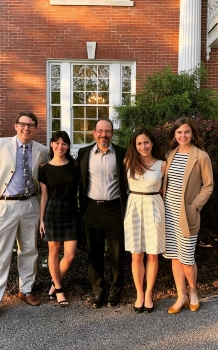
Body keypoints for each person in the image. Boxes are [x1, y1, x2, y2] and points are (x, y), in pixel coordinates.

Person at [0, 111, 49, 319]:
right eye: (23, 124)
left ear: (36, 128)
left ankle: (26, 290)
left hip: (30, 205)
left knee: (29, 250)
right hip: (3, 206)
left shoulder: (42, 150)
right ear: (16, 126)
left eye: (31, 125)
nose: (27, 128)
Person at [162, 116, 213, 314]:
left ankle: (193, 293)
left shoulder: (201, 156)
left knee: (187, 258)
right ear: (174, 135)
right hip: (169, 215)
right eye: (179, 132)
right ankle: (180, 295)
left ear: (192, 134)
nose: (183, 135)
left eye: (186, 132)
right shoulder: (169, 155)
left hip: (187, 214)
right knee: (175, 257)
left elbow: (208, 186)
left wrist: (195, 206)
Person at [77, 118, 127, 308]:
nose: (104, 134)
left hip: (115, 208)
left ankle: (116, 289)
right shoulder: (84, 153)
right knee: (94, 252)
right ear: (94, 133)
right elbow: (71, 173)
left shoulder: (122, 153)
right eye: (100, 131)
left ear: (112, 133)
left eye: (107, 131)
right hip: (92, 209)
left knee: (117, 252)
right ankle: (98, 289)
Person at [124, 129, 166, 313]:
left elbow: (165, 191)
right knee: (136, 255)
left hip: (154, 206)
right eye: (139, 143)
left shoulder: (162, 165)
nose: (143, 146)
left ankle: (149, 293)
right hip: (134, 207)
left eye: (146, 142)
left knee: (152, 254)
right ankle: (139, 293)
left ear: (152, 143)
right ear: (135, 146)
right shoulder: (128, 162)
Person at [38, 131, 78, 307]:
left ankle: (54, 283)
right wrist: (41, 220)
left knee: (70, 255)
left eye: (64, 143)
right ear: (51, 145)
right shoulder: (44, 169)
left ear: (68, 146)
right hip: (52, 212)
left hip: (71, 211)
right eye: (57, 143)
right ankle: (60, 290)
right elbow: (44, 196)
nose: (60, 146)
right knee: (53, 251)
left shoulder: (75, 166)